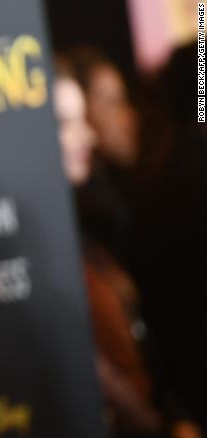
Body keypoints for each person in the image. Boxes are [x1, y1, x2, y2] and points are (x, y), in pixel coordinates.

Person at [53, 55, 200, 438]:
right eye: (65, 123)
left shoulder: (108, 213)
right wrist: (163, 424)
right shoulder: (87, 222)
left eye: (81, 118)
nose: (86, 134)